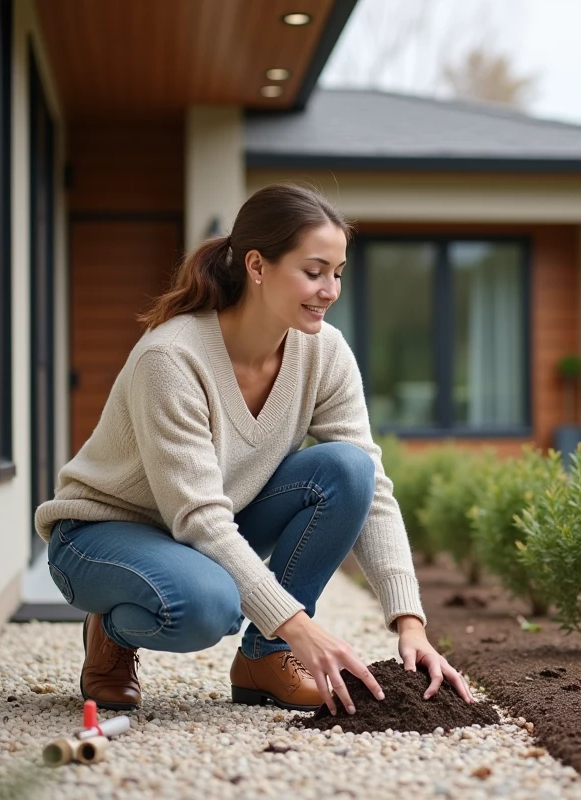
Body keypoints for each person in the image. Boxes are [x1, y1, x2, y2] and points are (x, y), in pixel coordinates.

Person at [35, 183, 473, 716]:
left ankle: (266, 658)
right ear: (257, 266)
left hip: (203, 527)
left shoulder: (324, 351)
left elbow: (372, 491)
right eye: (313, 271)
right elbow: (198, 517)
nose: (330, 289)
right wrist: (301, 626)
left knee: (348, 469)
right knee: (208, 606)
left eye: (338, 272)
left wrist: (411, 624)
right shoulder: (172, 358)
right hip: (101, 535)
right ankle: (110, 629)